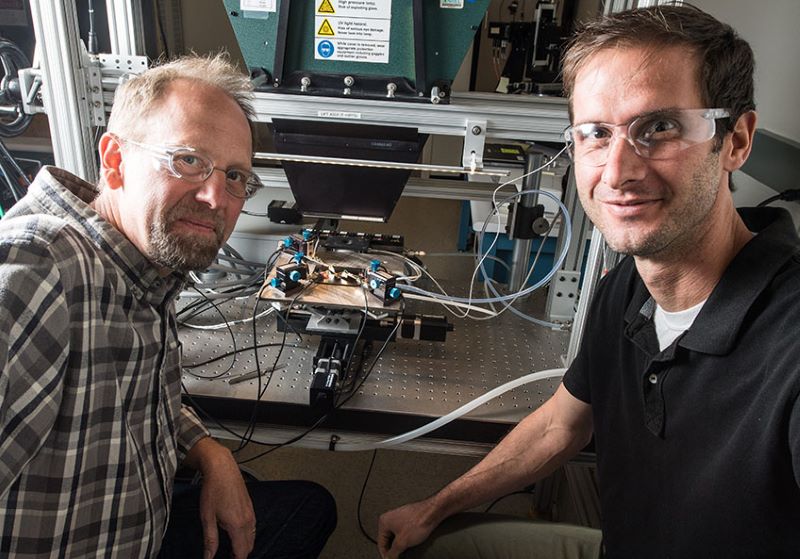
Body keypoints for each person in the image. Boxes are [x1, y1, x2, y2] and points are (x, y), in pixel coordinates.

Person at [378, 5, 800, 559]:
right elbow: (562, 425)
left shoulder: (788, 342)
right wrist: (435, 507)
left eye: (661, 127)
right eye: (596, 133)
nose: (618, 170)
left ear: (737, 141)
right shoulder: (626, 289)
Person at [0, 53, 336, 558]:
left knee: (307, 507)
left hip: (140, 522)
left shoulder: (139, 269)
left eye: (237, 177)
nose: (215, 197)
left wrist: (207, 450)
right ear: (114, 160)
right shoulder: (39, 266)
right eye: (188, 160)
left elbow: (139, 392)